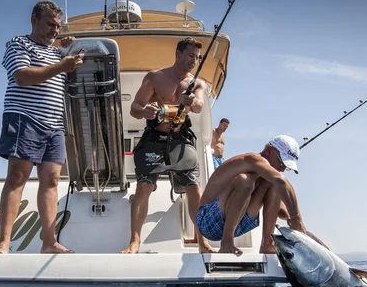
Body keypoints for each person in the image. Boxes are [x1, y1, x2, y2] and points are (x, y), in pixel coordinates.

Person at [0, 0, 84, 254]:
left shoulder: (57, 53)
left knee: (52, 180)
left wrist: (64, 52)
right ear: (34, 20)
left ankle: (49, 242)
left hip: (54, 124)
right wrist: (61, 66)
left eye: (58, 26)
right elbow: (22, 76)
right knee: (17, 177)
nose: (55, 30)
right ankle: (4, 243)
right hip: (24, 117)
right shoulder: (18, 44)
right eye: (50, 24)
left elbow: (62, 65)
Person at [120, 37, 215, 254]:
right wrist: (144, 111)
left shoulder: (197, 83)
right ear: (178, 54)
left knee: (194, 189)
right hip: (154, 140)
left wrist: (193, 102)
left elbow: (199, 105)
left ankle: (203, 242)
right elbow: (135, 106)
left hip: (181, 142)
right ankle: (135, 241)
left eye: (197, 58)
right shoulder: (155, 77)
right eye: (191, 56)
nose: (194, 61)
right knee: (143, 187)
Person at [196, 135, 328, 254]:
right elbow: (281, 181)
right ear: (269, 150)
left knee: (273, 183)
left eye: (285, 166)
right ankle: (227, 242)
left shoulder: (268, 176)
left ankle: (267, 243)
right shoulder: (251, 159)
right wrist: (296, 219)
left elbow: (279, 207)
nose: (282, 169)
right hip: (207, 222)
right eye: (282, 163)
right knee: (245, 181)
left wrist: (292, 221)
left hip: (237, 223)